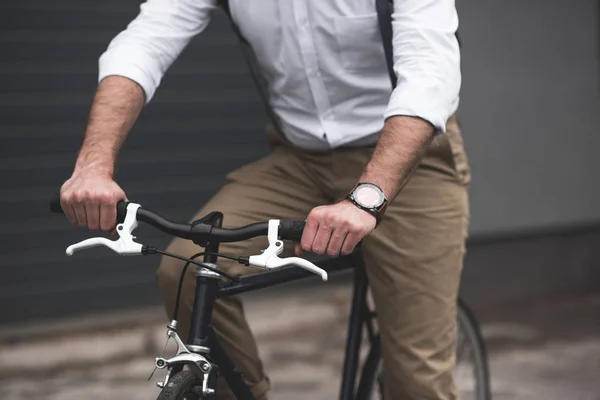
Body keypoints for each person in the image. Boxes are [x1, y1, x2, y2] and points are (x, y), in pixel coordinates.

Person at [58, 0, 471, 398]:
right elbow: (143, 45)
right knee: (186, 267)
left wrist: (366, 199)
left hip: (409, 163)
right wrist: (93, 165)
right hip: (299, 159)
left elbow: (428, 74)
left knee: (418, 381)